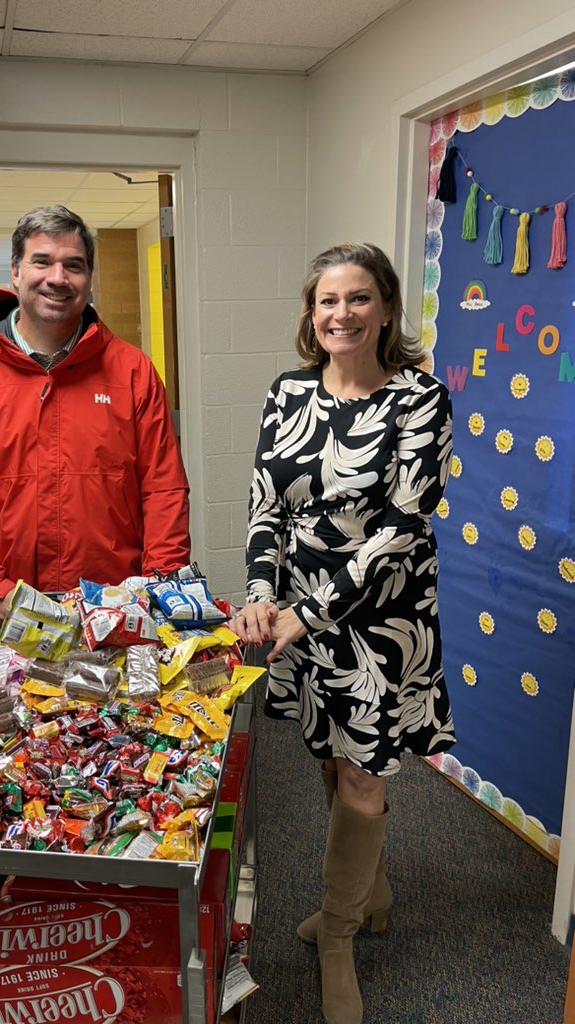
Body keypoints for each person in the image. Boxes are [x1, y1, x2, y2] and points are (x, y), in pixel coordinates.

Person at [229, 243, 455, 1024]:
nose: (342, 314)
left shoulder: (420, 400)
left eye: (359, 299)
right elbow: (267, 505)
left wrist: (306, 610)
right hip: (300, 614)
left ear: (387, 309)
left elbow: (401, 526)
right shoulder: (287, 391)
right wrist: (262, 594)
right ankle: (373, 888)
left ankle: (338, 935)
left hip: (382, 618)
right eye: (328, 301)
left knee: (366, 770)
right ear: (311, 313)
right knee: (332, 752)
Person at [0, 205, 190, 660]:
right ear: (15, 271)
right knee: (15, 728)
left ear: (88, 278)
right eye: (42, 261)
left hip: (116, 604)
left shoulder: (131, 371)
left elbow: (163, 487)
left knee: (122, 727)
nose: (58, 277)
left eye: (74, 265)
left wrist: (159, 583)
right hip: (13, 609)